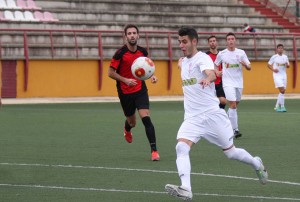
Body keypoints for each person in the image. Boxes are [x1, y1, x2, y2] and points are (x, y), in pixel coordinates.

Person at [164, 27, 268, 201]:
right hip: (192, 118)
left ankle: (257, 164)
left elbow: (211, 73)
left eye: (184, 42)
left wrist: (208, 78)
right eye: (179, 42)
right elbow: (185, 65)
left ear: (194, 42)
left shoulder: (202, 58)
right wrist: (182, 63)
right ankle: (186, 189)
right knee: (181, 147)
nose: (181, 45)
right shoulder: (183, 61)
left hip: (213, 115)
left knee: (231, 153)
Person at [108, 24, 160, 161]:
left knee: (146, 118)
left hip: (140, 90)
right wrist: (125, 80)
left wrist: (152, 76)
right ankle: (127, 129)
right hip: (125, 92)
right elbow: (110, 73)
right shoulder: (120, 53)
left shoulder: (143, 52)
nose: (132, 35)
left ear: (138, 35)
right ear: (125, 37)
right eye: (129, 33)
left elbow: (147, 70)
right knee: (132, 122)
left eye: (134, 33)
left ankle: (154, 151)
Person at [214, 32, 251, 138]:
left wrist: (246, 65)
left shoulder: (241, 53)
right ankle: (235, 130)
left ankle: (223, 119)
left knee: (234, 106)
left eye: (232, 39)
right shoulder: (222, 53)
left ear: (235, 40)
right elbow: (215, 65)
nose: (230, 41)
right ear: (226, 41)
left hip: (239, 83)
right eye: (229, 39)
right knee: (233, 105)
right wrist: (217, 72)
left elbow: (249, 67)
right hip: (227, 83)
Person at [267, 44, 290, 112]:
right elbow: (268, 64)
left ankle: (276, 106)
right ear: (277, 49)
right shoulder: (274, 57)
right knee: (282, 91)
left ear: (283, 49)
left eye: (282, 48)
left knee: (282, 91)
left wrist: (287, 65)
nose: (280, 49)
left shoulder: (285, 57)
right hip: (277, 75)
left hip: (284, 75)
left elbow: (288, 66)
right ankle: (282, 107)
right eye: (279, 48)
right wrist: (273, 69)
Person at [206, 35, 226, 109]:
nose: (212, 43)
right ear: (208, 43)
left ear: (216, 42)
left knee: (223, 101)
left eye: (214, 41)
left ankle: (219, 114)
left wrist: (222, 72)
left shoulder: (222, 54)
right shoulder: (206, 55)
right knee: (211, 102)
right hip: (210, 82)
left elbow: (226, 66)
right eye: (210, 41)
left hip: (220, 82)